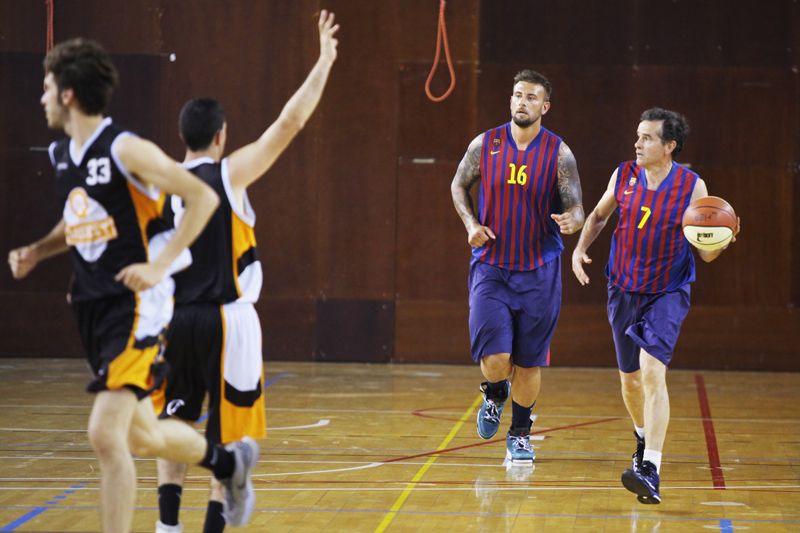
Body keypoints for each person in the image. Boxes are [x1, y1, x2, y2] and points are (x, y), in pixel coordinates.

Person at [7, 38, 259, 533]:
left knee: (106, 435)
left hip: (138, 306)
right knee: (142, 436)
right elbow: (78, 220)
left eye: (46, 87)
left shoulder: (125, 148)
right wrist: (39, 250)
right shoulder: (63, 153)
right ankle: (229, 465)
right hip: (93, 309)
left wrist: (160, 263)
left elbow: (201, 198)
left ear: (68, 94)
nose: (40, 98)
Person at [151, 10, 339, 533]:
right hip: (230, 321)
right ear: (220, 136)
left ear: (183, 136)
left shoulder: (161, 185)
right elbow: (289, 122)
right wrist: (323, 60)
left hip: (175, 320)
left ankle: (168, 527)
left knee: (175, 422)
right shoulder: (228, 174)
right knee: (229, 433)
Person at [571, 108, 738, 503]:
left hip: (667, 291)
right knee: (629, 379)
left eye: (647, 138)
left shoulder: (693, 188)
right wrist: (579, 251)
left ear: (669, 146)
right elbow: (597, 216)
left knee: (651, 371)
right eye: (637, 136)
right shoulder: (624, 175)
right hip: (623, 287)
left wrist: (720, 239)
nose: (638, 143)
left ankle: (651, 468)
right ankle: (643, 437)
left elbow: (706, 256)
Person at [450, 69, 585, 464]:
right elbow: (458, 184)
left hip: (539, 271)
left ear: (545, 106)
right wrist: (471, 224)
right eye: (516, 95)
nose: (521, 102)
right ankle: (494, 394)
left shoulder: (559, 153)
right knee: (495, 360)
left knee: (528, 361)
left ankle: (521, 433)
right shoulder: (485, 143)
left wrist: (573, 220)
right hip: (491, 266)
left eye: (530, 97)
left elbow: (575, 204)